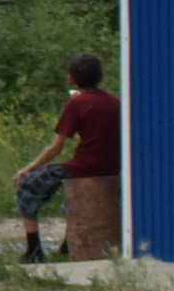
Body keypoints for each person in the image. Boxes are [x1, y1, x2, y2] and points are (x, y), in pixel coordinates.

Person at [17, 50, 124, 261]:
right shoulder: (116, 102)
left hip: (84, 167)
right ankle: (66, 244)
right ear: (101, 77)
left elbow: (56, 147)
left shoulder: (77, 104)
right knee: (69, 200)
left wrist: (28, 168)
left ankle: (33, 249)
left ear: (72, 79)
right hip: (113, 166)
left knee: (28, 185)